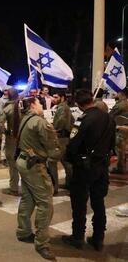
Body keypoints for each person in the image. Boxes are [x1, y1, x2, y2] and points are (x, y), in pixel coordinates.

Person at [62, 89, 116, 251]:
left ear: (78, 104)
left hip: (84, 168)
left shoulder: (83, 120)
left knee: (79, 204)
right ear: (92, 99)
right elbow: (112, 144)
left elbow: (73, 146)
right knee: (98, 203)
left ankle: (78, 237)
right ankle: (98, 238)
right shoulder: (109, 119)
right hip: (102, 167)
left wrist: (71, 160)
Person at [15, 96, 61, 261]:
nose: (42, 105)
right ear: (33, 105)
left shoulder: (25, 118)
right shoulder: (40, 122)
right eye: (40, 103)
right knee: (45, 203)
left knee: (28, 198)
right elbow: (52, 147)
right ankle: (42, 243)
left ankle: (23, 231)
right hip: (34, 166)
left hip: (23, 161)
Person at [0, 88, 21, 196]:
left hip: (12, 138)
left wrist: (5, 132)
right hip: (24, 138)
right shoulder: (22, 106)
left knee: (13, 164)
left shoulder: (8, 108)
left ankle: (14, 188)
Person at [48, 90, 73, 193]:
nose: (54, 99)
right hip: (65, 138)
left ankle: (54, 188)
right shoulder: (64, 107)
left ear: (62, 98)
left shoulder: (62, 108)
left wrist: (54, 129)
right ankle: (70, 183)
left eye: (56, 97)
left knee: (52, 161)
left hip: (61, 138)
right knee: (66, 162)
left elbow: (61, 122)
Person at [109, 88, 128, 174]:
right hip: (124, 128)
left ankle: (121, 168)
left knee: (119, 149)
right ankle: (121, 167)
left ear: (121, 94)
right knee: (121, 148)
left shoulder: (120, 104)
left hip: (120, 128)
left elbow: (111, 115)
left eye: (117, 92)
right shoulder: (125, 103)